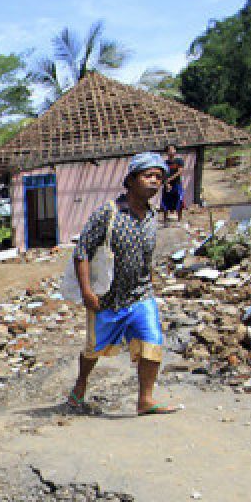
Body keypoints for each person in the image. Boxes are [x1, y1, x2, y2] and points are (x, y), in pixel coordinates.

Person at [67, 151, 178, 415]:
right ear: (130, 180)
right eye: (148, 175)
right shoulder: (109, 213)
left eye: (159, 177)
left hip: (141, 295)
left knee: (152, 342)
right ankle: (79, 386)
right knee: (94, 349)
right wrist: (86, 291)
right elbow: (81, 251)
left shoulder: (152, 215)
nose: (154, 181)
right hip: (108, 298)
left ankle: (145, 400)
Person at [160, 145, 185, 223]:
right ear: (167, 152)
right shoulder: (164, 163)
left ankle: (179, 219)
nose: (171, 151)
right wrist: (166, 183)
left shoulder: (179, 161)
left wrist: (169, 179)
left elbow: (179, 172)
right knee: (165, 202)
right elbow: (162, 174)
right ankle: (165, 220)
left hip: (177, 184)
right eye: (169, 150)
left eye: (173, 149)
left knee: (179, 200)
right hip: (167, 185)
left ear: (175, 151)